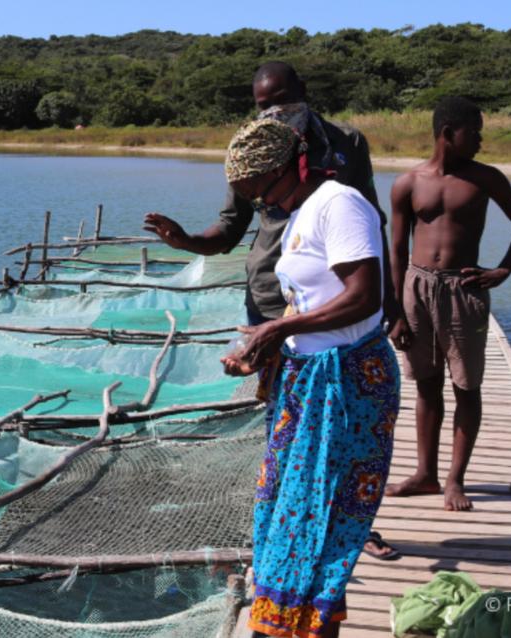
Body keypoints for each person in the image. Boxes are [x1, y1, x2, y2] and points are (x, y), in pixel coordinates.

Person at [143, 60, 400, 561]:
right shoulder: (254, 151)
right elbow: (230, 228)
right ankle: (290, 519)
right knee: (286, 422)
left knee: (340, 429)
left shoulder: (344, 150)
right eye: (263, 106)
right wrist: (187, 242)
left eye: (281, 100)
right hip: (270, 296)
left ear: (303, 92)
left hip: (335, 307)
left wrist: (389, 298)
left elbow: (371, 225)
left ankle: (346, 524)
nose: (274, 111)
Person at [217, 117, 400, 638]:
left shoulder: (339, 204)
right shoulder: (298, 212)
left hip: (348, 387)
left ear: (291, 166)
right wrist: (269, 347)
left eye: (261, 192)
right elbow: (312, 302)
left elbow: (366, 297)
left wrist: (281, 325)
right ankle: (281, 624)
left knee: (321, 527)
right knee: (283, 513)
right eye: (251, 198)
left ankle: (299, 628)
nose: (261, 205)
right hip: (308, 379)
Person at [384, 97, 511, 512]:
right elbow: (396, 250)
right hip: (417, 289)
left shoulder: (485, 178)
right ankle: (425, 475)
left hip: (463, 289)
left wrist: (503, 270)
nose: (482, 140)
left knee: (466, 385)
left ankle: (455, 480)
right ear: (449, 133)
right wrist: (396, 310)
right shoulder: (408, 183)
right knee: (425, 384)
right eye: (476, 131)